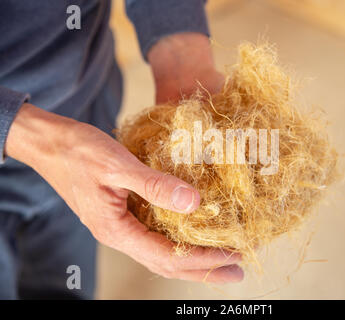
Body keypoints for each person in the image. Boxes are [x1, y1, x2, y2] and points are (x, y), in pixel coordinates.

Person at [0, 0, 243, 300]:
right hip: (68, 145)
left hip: (87, 117)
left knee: (65, 286)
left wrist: (180, 55)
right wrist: (32, 136)